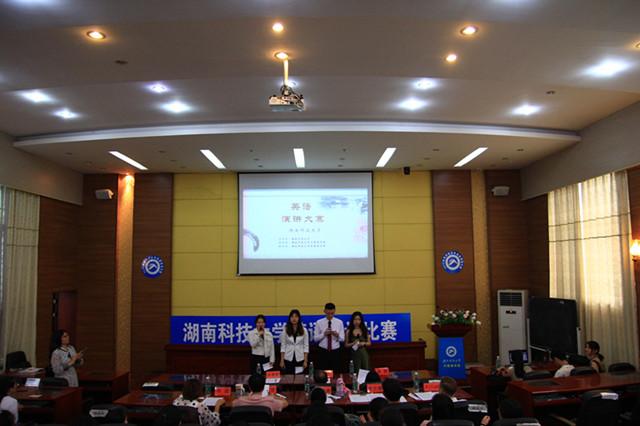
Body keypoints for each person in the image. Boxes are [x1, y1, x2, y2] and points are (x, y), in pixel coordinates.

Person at [313, 302, 345, 372]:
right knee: (322, 372)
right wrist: (324, 334)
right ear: (324, 311)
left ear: (335, 311)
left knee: (335, 372)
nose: (330, 315)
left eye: (332, 313)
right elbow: (315, 339)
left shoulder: (339, 322)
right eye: (328, 313)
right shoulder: (319, 322)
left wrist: (337, 335)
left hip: (335, 351)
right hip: (323, 351)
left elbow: (342, 339)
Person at [279, 309, 309, 374]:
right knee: (289, 376)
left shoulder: (304, 330)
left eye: (296, 316)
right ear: (289, 318)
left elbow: (306, 346)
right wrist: (282, 360)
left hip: (300, 358)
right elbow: (283, 346)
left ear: (299, 318)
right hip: (288, 358)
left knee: (299, 377)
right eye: (292, 316)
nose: (294, 318)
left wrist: (305, 361)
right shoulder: (285, 330)